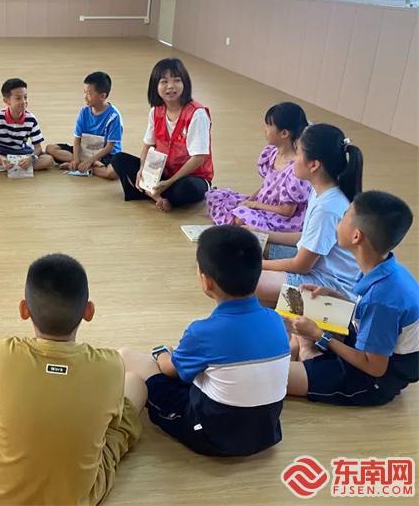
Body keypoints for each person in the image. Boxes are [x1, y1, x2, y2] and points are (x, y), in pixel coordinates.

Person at [0, 253, 144, 505]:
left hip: (0, 490)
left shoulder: (4, 352)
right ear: (89, 311)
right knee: (136, 384)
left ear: (24, 309)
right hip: (79, 496)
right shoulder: (111, 365)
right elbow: (114, 422)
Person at [121, 226, 290, 456]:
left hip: (211, 436)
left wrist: (161, 353)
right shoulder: (276, 320)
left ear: (206, 281)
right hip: (266, 433)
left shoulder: (203, 332)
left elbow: (170, 370)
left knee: (127, 357)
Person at [287, 191, 418, 406]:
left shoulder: (382, 298)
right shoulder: (385, 268)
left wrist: (320, 336)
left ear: (356, 236)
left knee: (273, 378)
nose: (339, 220)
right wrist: (336, 297)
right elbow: (370, 315)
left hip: (372, 380)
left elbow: (375, 368)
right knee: (300, 311)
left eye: (345, 215)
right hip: (367, 347)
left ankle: (307, 352)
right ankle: (305, 350)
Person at [255, 123, 363, 304]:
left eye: (297, 154)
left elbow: (301, 265)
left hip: (328, 285)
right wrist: (262, 233)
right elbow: (306, 237)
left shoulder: (327, 208)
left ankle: (295, 307)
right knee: (252, 242)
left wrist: (257, 266)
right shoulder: (321, 190)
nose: (293, 160)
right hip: (316, 268)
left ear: (313, 165)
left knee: (242, 279)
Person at [111, 58, 213, 211]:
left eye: (177, 80)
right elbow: (147, 146)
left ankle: (150, 193)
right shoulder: (156, 111)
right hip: (163, 172)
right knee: (119, 159)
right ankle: (158, 197)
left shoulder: (197, 114)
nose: (171, 86)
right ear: (155, 86)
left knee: (186, 189)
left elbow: (199, 158)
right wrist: (142, 170)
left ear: (185, 83)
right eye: (164, 81)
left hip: (191, 177)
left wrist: (169, 182)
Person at [206, 102, 311, 232]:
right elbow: (265, 186)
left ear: (284, 133)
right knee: (215, 196)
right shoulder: (272, 153)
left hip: (280, 217)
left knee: (241, 218)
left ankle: (245, 224)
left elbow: (287, 211)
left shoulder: (296, 170)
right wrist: (248, 202)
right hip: (264, 204)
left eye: (269, 126)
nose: (265, 130)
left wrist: (254, 205)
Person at [46, 71, 123, 180]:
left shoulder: (114, 116)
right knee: (50, 149)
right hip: (85, 150)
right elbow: (77, 139)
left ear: (102, 96)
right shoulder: (84, 111)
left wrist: (90, 161)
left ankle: (88, 167)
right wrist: (76, 159)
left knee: (112, 173)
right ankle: (83, 164)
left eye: (89, 94)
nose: (85, 97)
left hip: (104, 154)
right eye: (84, 92)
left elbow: (109, 147)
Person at [0, 78, 55, 173]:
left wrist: (31, 158)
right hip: (0, 151)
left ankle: (1, 167)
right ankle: (8, 165)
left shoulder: (31, 119)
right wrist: (1, 158)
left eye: (25, 97)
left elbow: (38, 148)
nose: (24, 101)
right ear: (6, 101)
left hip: (21, 152)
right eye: (18, 98)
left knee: (49, 160)